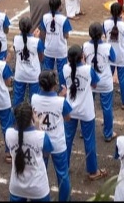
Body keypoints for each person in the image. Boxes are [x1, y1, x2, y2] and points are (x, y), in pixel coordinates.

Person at [63, 44, 107, 181]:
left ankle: (64, 166)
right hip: (86, 110)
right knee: (89, 141)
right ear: (82, 57)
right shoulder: (88, 69)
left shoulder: (65, 68)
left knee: (67, 140)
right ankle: (93, 170)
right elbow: (94, 84)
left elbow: (64, 84)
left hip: (70, 108)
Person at [31, 70, 72, 202]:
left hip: (40, 142)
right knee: (63, 175)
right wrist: (62, 95)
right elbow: (67, 118)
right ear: (54, 85)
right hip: (58, 143)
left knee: (38, 172)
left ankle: (37, 197)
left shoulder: (34, 98)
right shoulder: (61, 101)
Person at [5, 102, 53, 202]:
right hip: (38, 188)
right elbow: (46, 154)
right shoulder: (42, 136)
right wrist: (38, 127)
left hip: (16, 187)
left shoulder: (8, 133)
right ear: (32, 117)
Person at [84, 22, 117, 142]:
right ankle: (108, 133)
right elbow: (114, 58)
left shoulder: (85, 46)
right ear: (102, 34)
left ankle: (85, 130)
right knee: (107, 108)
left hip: (90, 81)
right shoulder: (107, 47)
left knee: (88, 105)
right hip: (105, 82)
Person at [104, 2, 124, 110]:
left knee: (107, 76)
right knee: (123, 80)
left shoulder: (105, 23)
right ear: (122, 12)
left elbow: (105, 35)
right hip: (121, 55)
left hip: (109, 54)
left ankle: (104, 96)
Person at [12, 17, 43, 107]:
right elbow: (41, 57)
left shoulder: (16, 39)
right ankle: (34, 120)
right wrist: (35, 38)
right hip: (34, 75)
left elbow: (16, 49)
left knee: (17, 100)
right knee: (35, 101)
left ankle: (17, 119)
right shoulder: (37, 41)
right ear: (31, 28)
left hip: (20, 74)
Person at [40, 0, 72, 80]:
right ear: (59, 6)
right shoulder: (64, 19)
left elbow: (42, 34)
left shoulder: (44, 17)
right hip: (60, 50)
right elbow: (66, 35)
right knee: (62, 72)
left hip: (48, 49)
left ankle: (47, 88)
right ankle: (62, 90)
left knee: (47, 72)